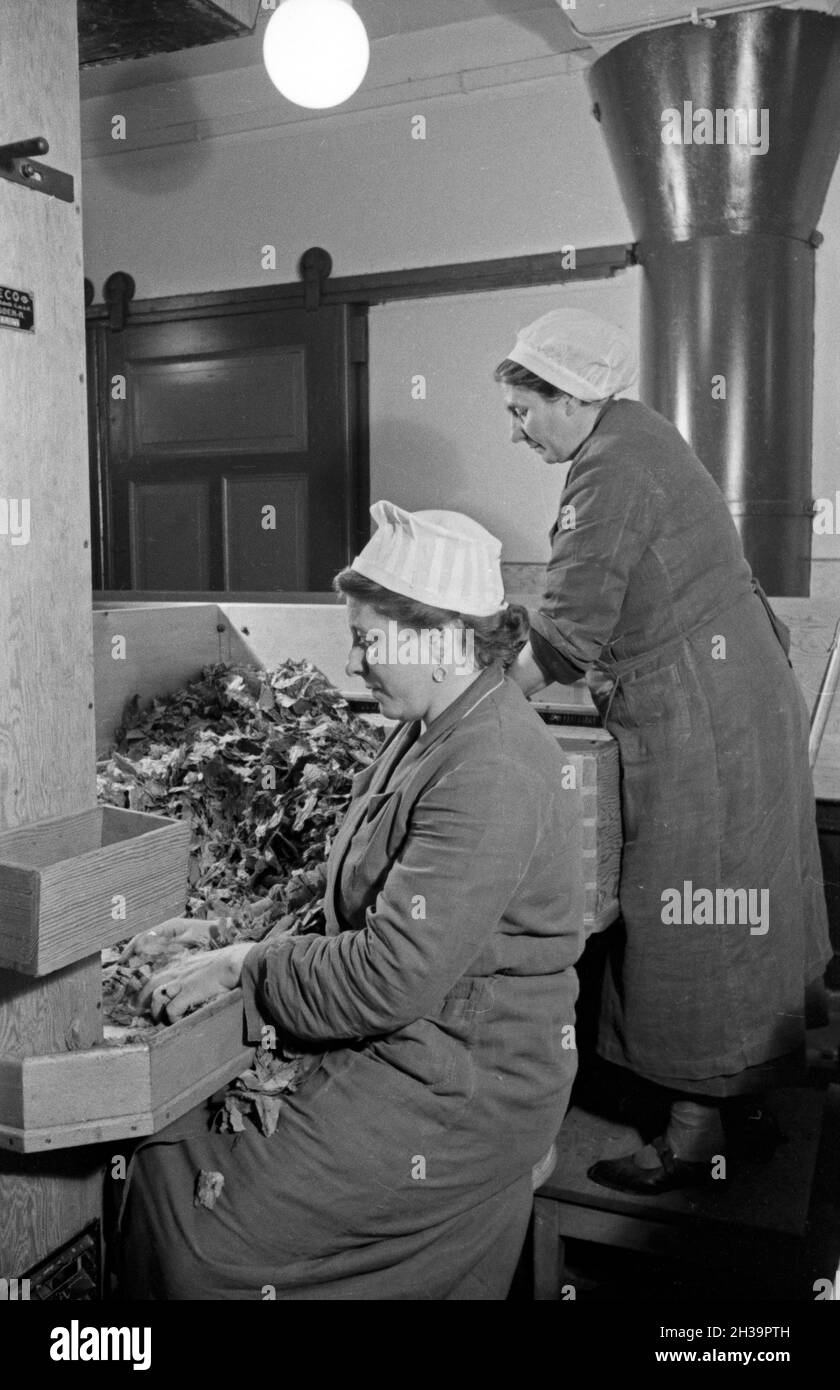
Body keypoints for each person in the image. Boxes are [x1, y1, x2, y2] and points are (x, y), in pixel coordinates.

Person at [116, 500, 584, 1300]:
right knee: (173, 1149)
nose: (355, 660)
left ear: (440, 639)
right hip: (412, 1049)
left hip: (460, 1085)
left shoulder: (490, 766)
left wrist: (245, 966)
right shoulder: (432, 725)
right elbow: (348, 882)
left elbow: (388, 977)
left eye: (368, 640)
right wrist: (230, 927)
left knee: (200, 1226)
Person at [495, 306, 831, 1195]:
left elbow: (568, 630)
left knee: (693, 908)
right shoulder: (635, 433)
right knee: (743, 899)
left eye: (524, 409)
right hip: (731, 696)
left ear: (571, 398)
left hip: (702, 716)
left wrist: (484, 706)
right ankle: (746, 1103)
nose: (516, 428)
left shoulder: (609, 468)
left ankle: (693, 1135)